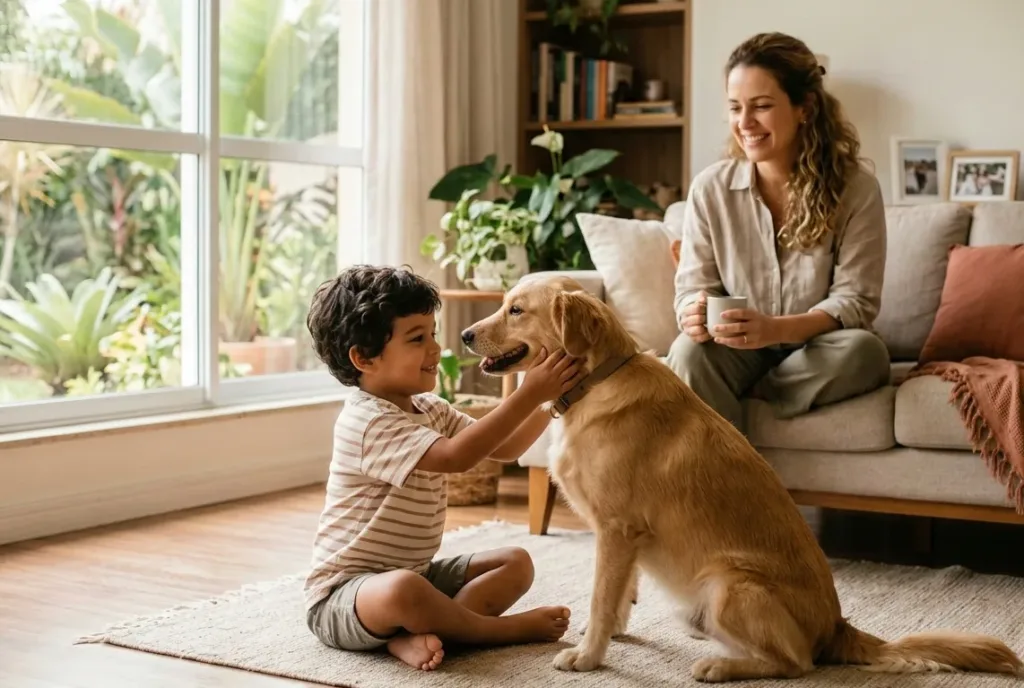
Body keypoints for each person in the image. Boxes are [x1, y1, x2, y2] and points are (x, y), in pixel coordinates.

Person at [302, 265, 580, 671]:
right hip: (344, 598)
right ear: (363, 358)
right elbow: (455, 457)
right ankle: (496, 631)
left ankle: (420, 635)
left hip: (416, 573)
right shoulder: (367, 421)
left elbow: (507, 447)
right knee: (403, 589)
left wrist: (552, 397)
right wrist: (529, 393)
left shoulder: (429, 408)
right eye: (417, 339)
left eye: (432, 334)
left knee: (515, 562)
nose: (435, 349)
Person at [668, 32, 890, 431]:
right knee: (687, 353)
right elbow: (692, 286)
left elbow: (856, 301)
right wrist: (693, 312)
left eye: (762, 106)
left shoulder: (856, 189)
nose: (744, 123)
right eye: (735, 107)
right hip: (736, 348)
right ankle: (725, 460)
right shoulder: (710, 189)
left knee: (865, 352)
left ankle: (753, 393)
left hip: (817, 348)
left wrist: (774, 330)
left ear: (805, 107)